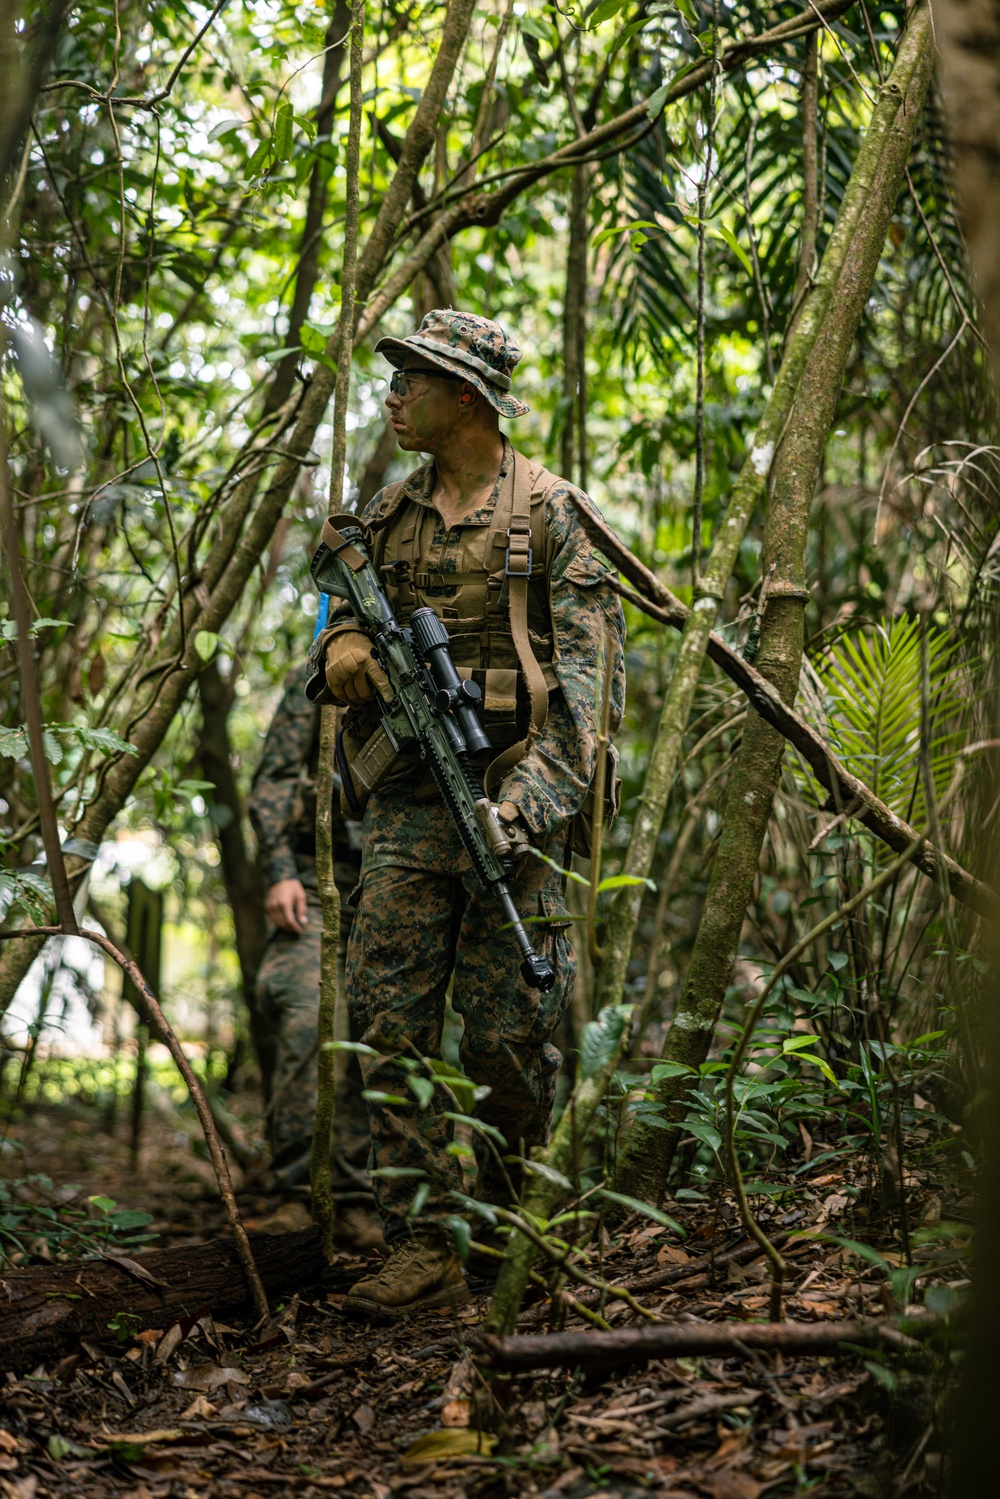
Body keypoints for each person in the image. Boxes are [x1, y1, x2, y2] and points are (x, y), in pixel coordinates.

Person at [307, 310, 625, 1317]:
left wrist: (524, 811)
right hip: (407, 802)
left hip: (515, 806)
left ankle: (498, 1228)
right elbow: (343, 619)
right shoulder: (385, 515)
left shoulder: (553, 514)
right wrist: (343, 652)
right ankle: (417, 1242)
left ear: (468, 400)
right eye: (394, 375)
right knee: (387, 1018)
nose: (393, 393)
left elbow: (588, 700)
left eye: (413, 377)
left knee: (506, 1037)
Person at [248, 663, 382, 1250]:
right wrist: (280, 870)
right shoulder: (329, 673)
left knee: (380, 1043)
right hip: (317, 881)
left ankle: (357, 1201)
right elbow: (274, 778)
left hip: (393, 889)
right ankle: (296, 1196)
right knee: (311, 1020)